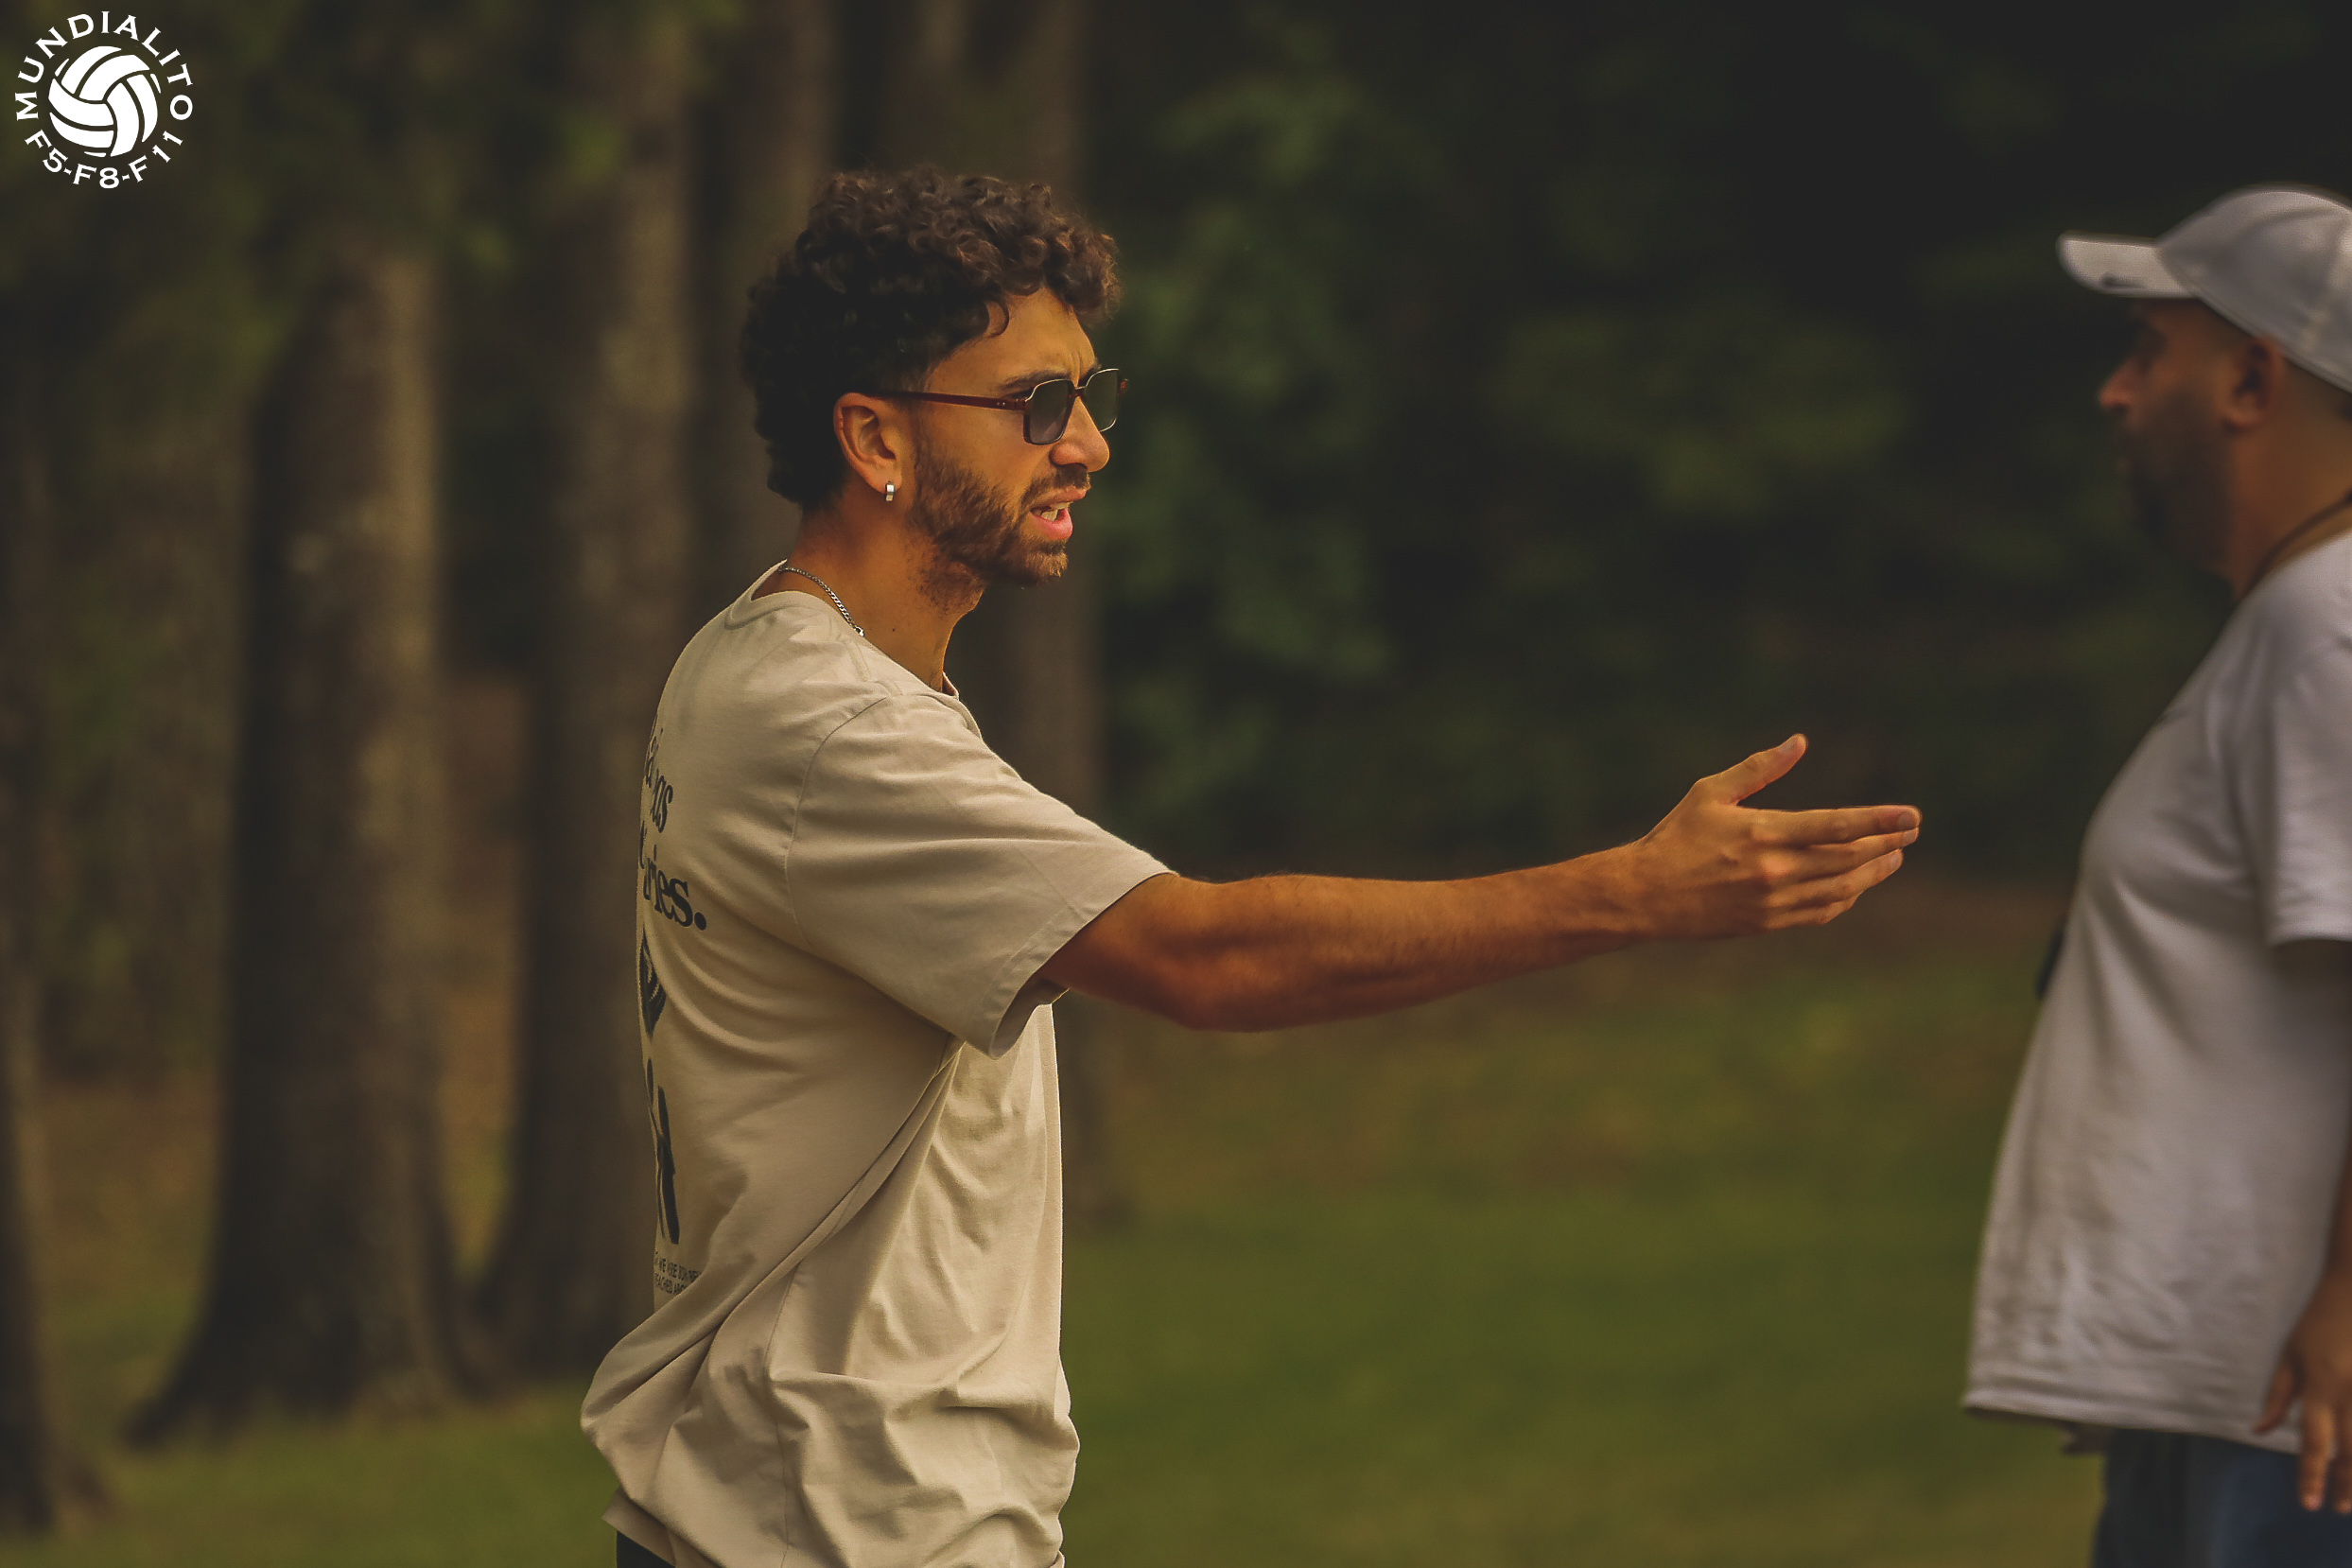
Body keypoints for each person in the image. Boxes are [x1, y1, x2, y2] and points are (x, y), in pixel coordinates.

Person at [585, 165, 1920, 1568]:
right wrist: (1629, 894)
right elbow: (1204, 956)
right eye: (1036, 404)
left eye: (1093, 397)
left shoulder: (756, 662)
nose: (1088, 447)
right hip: (835, 1526)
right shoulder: (832, 729)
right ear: (875, 436)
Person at [1966, 184, 2352, 1566]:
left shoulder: (2327, 634)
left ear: (2253, 380)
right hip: (2233, 1392)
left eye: (2150, 352)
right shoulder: (2290, 625)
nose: (2115, 393)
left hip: (2298, 1413)